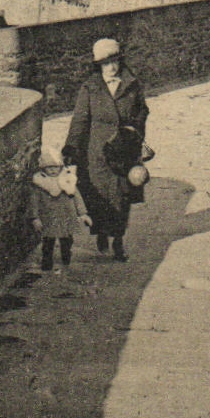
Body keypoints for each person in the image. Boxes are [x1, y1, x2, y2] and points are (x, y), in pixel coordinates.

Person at [63, 37, 148, 262]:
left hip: (124, 152)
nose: (112, 67)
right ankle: (101, 233)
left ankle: (118, 241)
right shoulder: (90, 88)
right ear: (98, 65)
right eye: (106, 63)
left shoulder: (132, 84)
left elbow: (142, 112)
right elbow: (80, 120)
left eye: (115, 61)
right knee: (98, 198)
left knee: (122, 198)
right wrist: (71, 149)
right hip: (97, 155)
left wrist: (134, 129)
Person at [28, 158, 91, 273]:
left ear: (61, 167)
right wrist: (35, 217)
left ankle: (66, 254)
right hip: (49, 216)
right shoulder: (40, 183)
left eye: (55, 167)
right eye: (49, 167)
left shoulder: (67, 181)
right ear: (43, 169)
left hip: (66, 215)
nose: (52, 170)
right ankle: (47, 261)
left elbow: (77, 197)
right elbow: (34, 201)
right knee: (48, 241)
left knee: (66, 239)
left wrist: (83, 213)